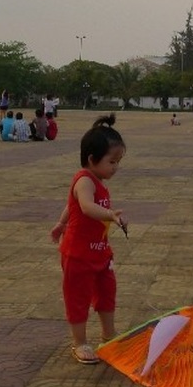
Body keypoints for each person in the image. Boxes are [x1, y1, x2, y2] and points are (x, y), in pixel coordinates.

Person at [51, 114, 127, 364]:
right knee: (78, 298)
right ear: (92, 159)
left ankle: (109, 335)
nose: (116, 167)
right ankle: (80, 342)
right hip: (78, 255)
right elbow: (84, 206)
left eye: (118, 161)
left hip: (100, 253)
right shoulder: (85, 180)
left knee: (107, 293)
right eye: (112, 161)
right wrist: (109, 215)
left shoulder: (98, 180)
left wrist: (61, 223)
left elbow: (70, 207)